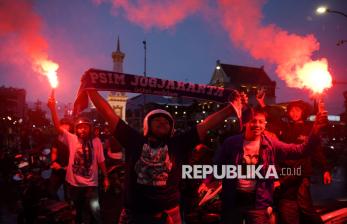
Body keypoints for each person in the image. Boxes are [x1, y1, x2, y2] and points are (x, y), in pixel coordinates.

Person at [87, 89, 243, 224]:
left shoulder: (178, 144)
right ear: (148, 125)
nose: (163, 122)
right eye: (158, 120)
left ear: (172, 128)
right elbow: (109, 115)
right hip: (134, 216)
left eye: (167, 122)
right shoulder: (134, 140)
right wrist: (90, 91)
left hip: (168, 215)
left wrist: (231, 108)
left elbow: (207, 124)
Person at [200, 107, 327, 224]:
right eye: (253, 121)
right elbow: (218, 165)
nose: (257, 125)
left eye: (261, 122)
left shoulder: (271, 144)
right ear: (245, 123)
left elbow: (301, 150)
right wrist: (206, 182)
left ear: (265, 125)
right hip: (233, 201)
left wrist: (315, 130)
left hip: (258, 205)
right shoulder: (231, 143)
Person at [47, 96, 110, 224]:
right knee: (77, 210)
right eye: (80, 127)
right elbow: (58, 127)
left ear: (90, 128)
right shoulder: (72, 139)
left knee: (95, 209)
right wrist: (53, 108)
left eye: (85, 127)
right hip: (74, 184)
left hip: (91, 184)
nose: (82, 129)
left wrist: (106, 177)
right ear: (76, 129)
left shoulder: (96, 141)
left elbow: (101, 160)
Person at [276, 101, 331, 224]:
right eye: (291, 110)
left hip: (303, 172)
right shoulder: (286, 128)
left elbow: (317, 150)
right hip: (288, 172)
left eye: (297, 110)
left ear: (303, 112)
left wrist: (325, 169)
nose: (294, 113)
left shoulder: (310, 128)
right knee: (288, 203)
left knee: (305, 206)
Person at [48, 118, 73, 200]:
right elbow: (54, 152)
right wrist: (54, 162)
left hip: (69, 171)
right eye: (62, 125)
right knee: (51, 190)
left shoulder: (72, 139)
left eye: (66, 125)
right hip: (57, 169)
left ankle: (70, 208)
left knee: (69, 194)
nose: (64, 127)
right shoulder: (57, 139)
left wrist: (69, 166)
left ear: (69, 127)